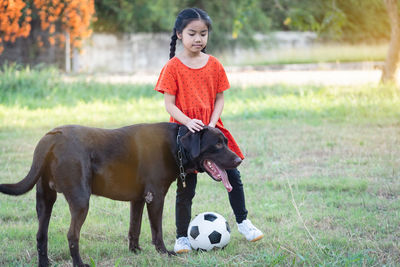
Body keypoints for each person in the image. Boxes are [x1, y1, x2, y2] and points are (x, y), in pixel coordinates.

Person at [154, 7, 263, 253]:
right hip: (186, 135)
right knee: (185, 188)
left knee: (233, 177)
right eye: (192, 33)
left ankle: (244, 222)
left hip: (212, 131)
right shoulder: (173, 67)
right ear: (180, 34)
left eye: (203, 33)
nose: (198, 39)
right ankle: (182, 237)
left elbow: (220, 99)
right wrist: (187, 122)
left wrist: (212, 123)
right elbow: (169, 104)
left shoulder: (214, 64)